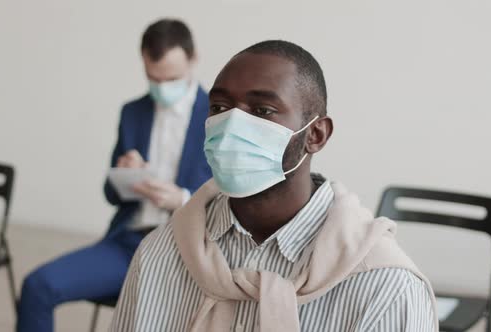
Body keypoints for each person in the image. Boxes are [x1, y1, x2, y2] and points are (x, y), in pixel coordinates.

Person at [110, 40, 438, 332]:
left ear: (316, 135)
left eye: (263, 110)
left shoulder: (386, 287)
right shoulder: (160, 253)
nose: (232, 126)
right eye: (220, 108)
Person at [16, 19, 211, 332]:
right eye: (153, 78)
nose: (162, 88)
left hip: (187, 252)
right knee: (37, 286)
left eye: (171, 78)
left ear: (194, 59)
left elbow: (232, 200)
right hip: (129, 244)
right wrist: (124, 173)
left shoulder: (217, 116)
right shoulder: (133, 112)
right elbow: (110, 193)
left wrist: (183, 199)